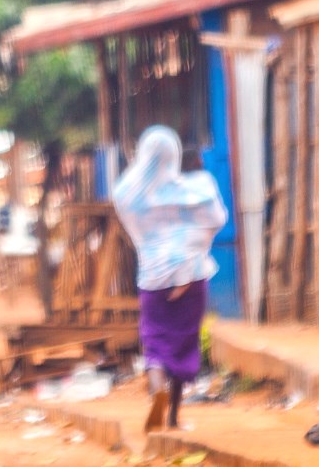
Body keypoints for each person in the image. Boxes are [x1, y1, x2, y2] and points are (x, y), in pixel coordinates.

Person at [111, 126, 227, 434]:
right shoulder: (194, 190)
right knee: (184, 343)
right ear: (174, 154)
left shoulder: (130, 195)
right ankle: (174, 416)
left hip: (153, 279)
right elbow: (217, 219)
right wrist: (190, 244)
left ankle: (156, 389)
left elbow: (122, 203)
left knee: (156, 343)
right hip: (191, 277)